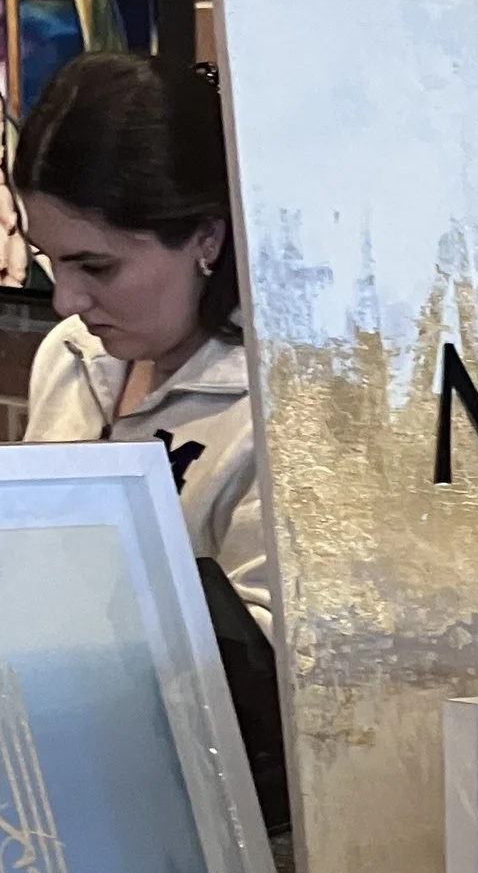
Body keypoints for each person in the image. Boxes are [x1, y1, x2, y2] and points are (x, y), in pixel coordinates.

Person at [15, 52, 286, 826]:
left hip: (210, 824)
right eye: (51, 261)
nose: (67, 298)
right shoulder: (70, 359)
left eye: (96, 264)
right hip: (56, 781)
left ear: (206, 236)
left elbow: (266, 700)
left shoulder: (274, 412)